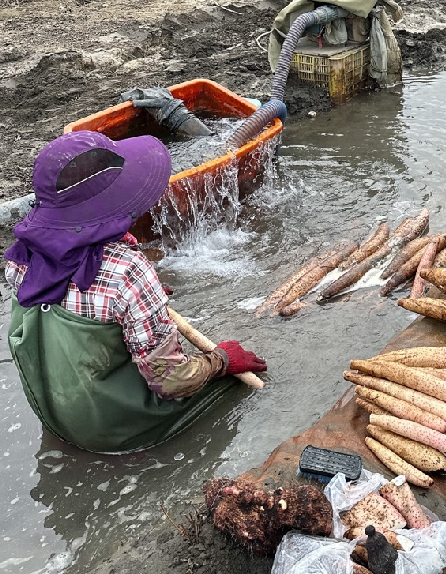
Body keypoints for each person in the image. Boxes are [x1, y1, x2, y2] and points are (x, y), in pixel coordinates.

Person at [4, 130, 268, 454]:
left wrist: (136, 303)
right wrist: (221, 360)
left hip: (53, 413)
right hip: (114, 429)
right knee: (232, 382)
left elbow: (69, 298)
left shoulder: (21, 254)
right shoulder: (128, 271)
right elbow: (172, 382)